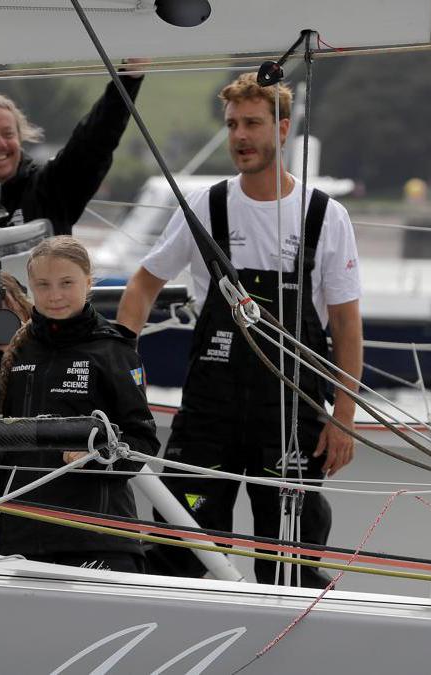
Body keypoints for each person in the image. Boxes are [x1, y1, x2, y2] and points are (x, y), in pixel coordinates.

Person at [116, 73, 363, 587]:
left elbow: (344, 322)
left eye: (252, 123)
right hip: (211, 409)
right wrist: (122, 361)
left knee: (290, 564)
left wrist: (343, 415)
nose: (240, 136)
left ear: (283, 128)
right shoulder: (208, 205)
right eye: (232, 125)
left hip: (292, 411)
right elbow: (143, 284)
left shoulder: (325, 215)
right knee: (180, 551)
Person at [0, 235, 160, 573]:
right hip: (20, 536)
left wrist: (100, 452)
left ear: (88, 282)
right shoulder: (18, 351)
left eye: (66, 283)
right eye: (43, 285)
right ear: (31, 286)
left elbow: (143, 441)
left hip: (98, 536)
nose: (55, 295)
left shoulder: (114, 351)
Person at [0, 65, 144, 234]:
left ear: (20, 138)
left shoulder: (53, 186)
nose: (0, 144)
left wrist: (129, 77)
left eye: (8, 134)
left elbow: (95, 139)